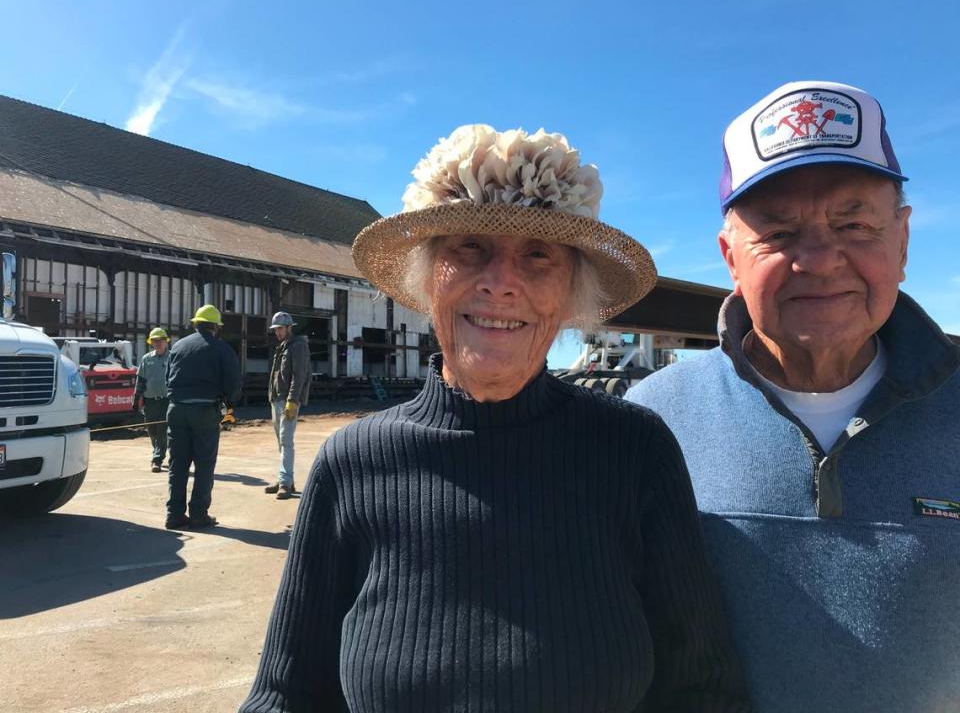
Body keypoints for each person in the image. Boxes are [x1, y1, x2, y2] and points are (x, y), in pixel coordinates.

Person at [240, 125, 749, 712]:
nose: (502, 282)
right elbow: (285, 695)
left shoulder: (634, 450)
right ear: (429, 280)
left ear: (570, 296)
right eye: (469, 248)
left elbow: (703, 691)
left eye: (538, 255)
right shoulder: (352, 463)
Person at [627, 81, 960, 712]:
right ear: (731, 258)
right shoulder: (649, 421)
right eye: (778, 233)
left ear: (904, 240)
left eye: (854, 223)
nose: (819, 258)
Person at [164, 304, 241, 530]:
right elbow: (234, 383)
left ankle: (174, 514)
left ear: (195, 324)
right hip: (205, 411)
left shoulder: (178, 346)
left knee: (177, 464)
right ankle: (198, 514)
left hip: (176, 410)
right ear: (216, 327)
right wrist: (230, 405)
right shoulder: (221, 349)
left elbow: (169, 377)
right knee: (204, 464)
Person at [264, 311, 311, 500]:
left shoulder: (297, 347)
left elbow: (299, 376)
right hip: (276, 399)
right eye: (275, 330)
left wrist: (293, 400)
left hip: (287, 400)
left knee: (286, 441)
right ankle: (286, 479)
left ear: (289, 328)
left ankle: (285, 483)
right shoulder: (282, 346)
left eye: (280, 329)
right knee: (281, 442)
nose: (277, 333)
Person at [133, 327, 171, 473]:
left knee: (161, 429)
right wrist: (136, 398)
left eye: (159, 341)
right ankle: (159, 450)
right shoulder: (146, 359)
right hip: (150, 401)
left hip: (166, 400)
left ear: (165, 342)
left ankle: (157, 459)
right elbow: (141, 380)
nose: (157, 343)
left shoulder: (172, 357)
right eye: (154, 341)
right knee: (152, 430)